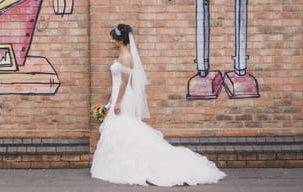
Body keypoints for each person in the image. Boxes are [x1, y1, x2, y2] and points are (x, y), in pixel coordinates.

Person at [90, 24, 226, 186]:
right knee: (120, 130)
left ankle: (134, 166)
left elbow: (125, 83)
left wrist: (118, 102)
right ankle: (122, 164)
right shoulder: (122, 57)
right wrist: (110, 102)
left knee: (124, 129)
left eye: (113, 38)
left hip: (124, 98)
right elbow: (117, 82)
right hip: (118, 96)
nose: (111, 40)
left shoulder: (125, 58)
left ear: (120, 40)